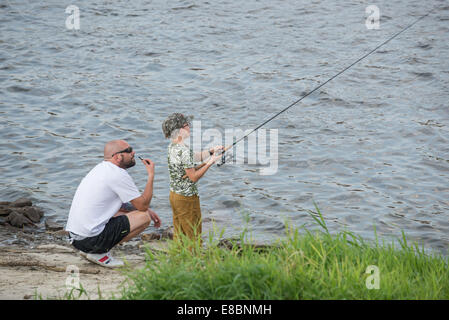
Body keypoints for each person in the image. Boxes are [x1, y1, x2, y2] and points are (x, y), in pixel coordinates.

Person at [65, 140, 161, 268]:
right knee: (143, 217)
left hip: (76, 239)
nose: (133, 152)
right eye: (129, 150)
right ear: (118, 156)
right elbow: (142, 205)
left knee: (127, 211)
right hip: (89, 240)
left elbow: (121, 206)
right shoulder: (118, 174)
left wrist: (146, 209)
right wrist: (151, 175)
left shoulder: (101, 169)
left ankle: (94, 250)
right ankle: (99, 253)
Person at [162, 113, 223, 244]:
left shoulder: (173, 146)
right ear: (179, 130)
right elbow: (193, 177)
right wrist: (210, 162)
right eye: (186, 125)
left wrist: (212, 151)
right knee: (193, 234)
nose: (189, 127)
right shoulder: (183, 151)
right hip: (186, 199)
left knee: (180, 233)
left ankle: (179, 259)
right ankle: (193, 260)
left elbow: (195, 158)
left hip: (175, 195)